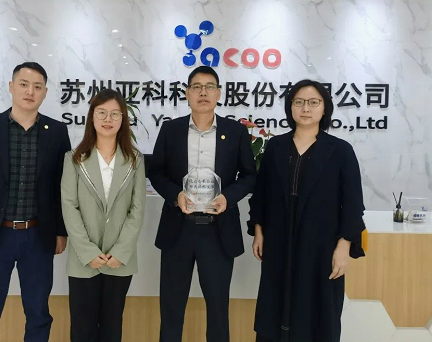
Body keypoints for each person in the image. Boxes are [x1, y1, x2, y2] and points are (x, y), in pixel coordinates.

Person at [0, 62, 71, 342]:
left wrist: (60, 231)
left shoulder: (57, 131)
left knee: (38, 313)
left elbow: (62, 187)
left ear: (45, 92)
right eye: (23, 84)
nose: (30, 91)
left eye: (37, 87)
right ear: (11, 87)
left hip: (38, 236)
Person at [248, 79, 366, 342]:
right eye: (299, 102)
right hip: (278, 242)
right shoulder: (275, 147)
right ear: (290, 107)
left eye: (314, 102)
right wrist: (258, 231)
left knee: (318, 313)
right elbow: (261, 195)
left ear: (324, 108)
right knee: (274, 309)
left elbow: (353, 204)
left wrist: (343, 247)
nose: (306, 108)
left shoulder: (340, 151)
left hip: (321, 247)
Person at [148, 66, 256, 342]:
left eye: (210, 87)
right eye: (196, 87)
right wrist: (175, 195)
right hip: (178, 229)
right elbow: (156, 172)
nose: (203, 92)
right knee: (171, 309)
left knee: (218, 310)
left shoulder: (235, 131)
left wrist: (228, 197)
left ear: (219, 93)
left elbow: (249, 176)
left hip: (218, 231)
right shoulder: (171, 130)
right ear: (187, 93)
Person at [61, 89, 146, 342]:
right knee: (82, 327)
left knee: (112, 326)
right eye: (101, 113)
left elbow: (137, 209)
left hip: (119, 259)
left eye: (115, 114)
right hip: (83, 259)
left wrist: (121, 251)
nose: (108, 119)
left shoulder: (135, 160)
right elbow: (69, 207)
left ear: (123, 119)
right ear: (92, 116)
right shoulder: (74, 159)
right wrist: (87, 251)